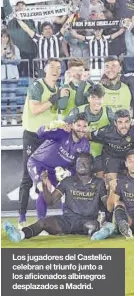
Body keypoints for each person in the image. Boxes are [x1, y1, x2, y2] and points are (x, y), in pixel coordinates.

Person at [3, 153, 107, 242]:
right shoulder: (67, 181)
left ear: (92, 166)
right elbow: (50, 201)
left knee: (93, 226)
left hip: (86, 221)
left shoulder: (99, 183)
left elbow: (106, 205)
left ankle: (100, 232)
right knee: (43, 222)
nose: (81, 165)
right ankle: (20, 235)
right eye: (79, 162)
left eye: (85, 162)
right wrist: (44, 184)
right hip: (66, 221)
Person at [18, 58, 69, 228]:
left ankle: (46, 219)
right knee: (27, 177)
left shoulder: (58, 89)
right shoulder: (37, 86)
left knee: (48, 176)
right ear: (45, 69)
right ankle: (22, 218)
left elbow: (56, 114)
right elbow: (35, 109)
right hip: (33, 135)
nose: (56, 69)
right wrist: (56, 97)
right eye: (52, 67)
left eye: (59, 67)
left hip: (48, 137)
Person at [27, 113, 90, 220]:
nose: (82, 129)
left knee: (66, 192)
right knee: (45, 188)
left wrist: (69, 172)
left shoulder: (85, 145)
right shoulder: (62, 133)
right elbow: (39, 133)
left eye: (84, 126)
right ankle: (41, 223)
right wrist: (49, 126)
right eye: (78, 125)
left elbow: (81, 166)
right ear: (72, 125)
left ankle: (66, 222)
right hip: (38, 163)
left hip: (56, 172)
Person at [90, 109, 134, 189]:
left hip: (130, 157)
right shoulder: (106, 131)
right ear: (115, 123)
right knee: (111, 185)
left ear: (130, 122)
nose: (124, 125)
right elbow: (88, 135)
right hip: (112, 157)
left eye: (126, 122)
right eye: (120, 122)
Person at [65, 84, 115, 158]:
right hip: (78, 155)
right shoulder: (77, 111)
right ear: (88, 98)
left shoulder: (108, 112)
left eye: (99, 98)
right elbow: (63, 127)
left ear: (103, 99)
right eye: (93, 97)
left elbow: (119, 126)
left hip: (102, 156)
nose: (97, 101)